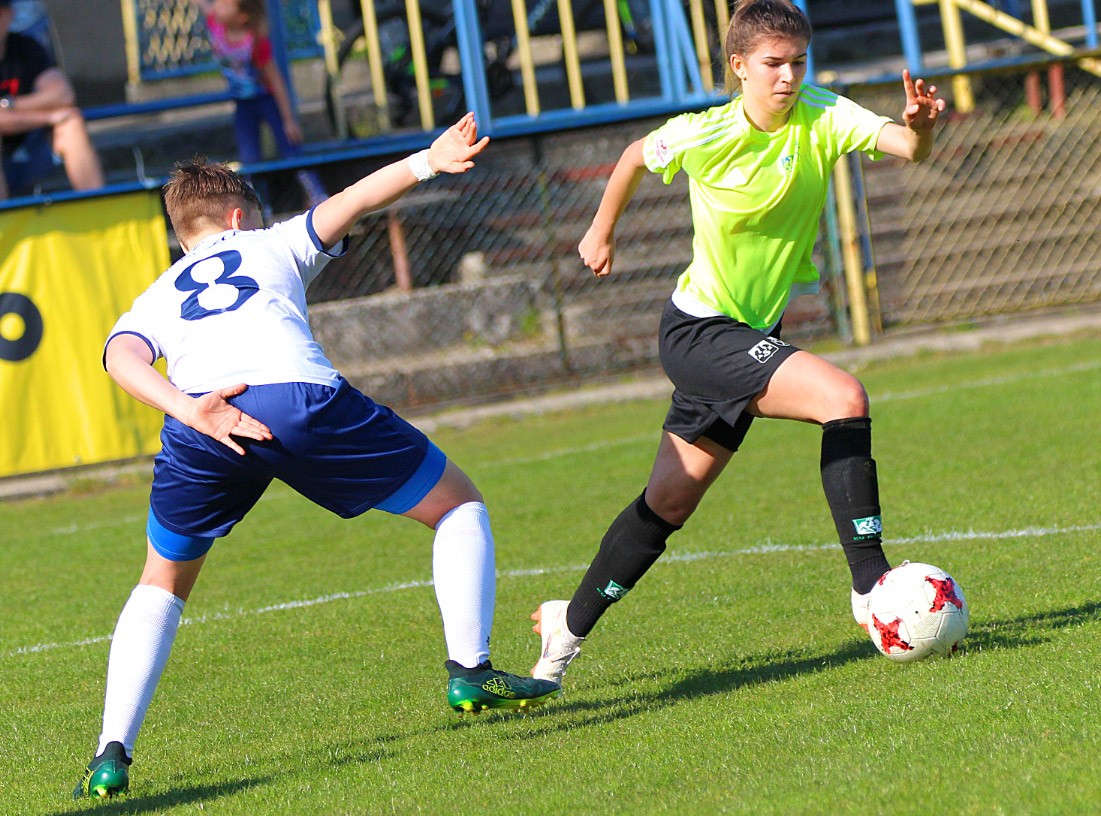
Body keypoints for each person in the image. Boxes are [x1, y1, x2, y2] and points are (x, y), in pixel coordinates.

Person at [73, 112, 560, 800]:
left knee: (162, 581)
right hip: (296, 398)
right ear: (239, 216)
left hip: (204, 422)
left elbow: (118, 355)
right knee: (457, 505)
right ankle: (470, 670)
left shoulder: (160, 292)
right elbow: (355, 200)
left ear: (183, 237)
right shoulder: (270, 241)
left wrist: (189, 409)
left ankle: (110, 754)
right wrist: (429, 159)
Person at [530, 0, 947, 685]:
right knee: (843, 398)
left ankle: (563, 630)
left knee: (668, 502)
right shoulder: (706, 132)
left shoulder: (823, 114)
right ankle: (870, 585)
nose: (788, 77)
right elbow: (634, 156)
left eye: (798, 62)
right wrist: (600, 231)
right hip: (698, 333)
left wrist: (921, 128)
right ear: (739, 66)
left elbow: (907, 149)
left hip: (749, 336)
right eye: (773, 64)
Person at [189, 0, 327, 209]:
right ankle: (258, 204)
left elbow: (276, 80)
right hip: (243, 105)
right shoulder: (216, 25)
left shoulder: (254, 42)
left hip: (266, 100)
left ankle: (315, 194)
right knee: (250, 158)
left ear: (241, 17)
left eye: (224, 5)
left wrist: (288, 120)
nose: (216, 7)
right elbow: (202, 5)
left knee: (290, 147)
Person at [0, 0, 103, 199]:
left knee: (72, 123)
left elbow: (63, 94)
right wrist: (48, 116)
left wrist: (10, 105)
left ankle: (98, 208)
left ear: (10, 15)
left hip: (29, 146)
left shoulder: (25, 47)